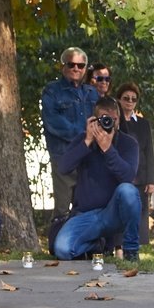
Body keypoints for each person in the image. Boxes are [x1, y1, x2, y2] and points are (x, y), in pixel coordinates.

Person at [52, 97, 142, 262]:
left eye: (113, 119)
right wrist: (87, 142)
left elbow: (128, 177)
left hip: (114, 214)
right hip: (86, 215)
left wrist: (108, 149)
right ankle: (96, 244)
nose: (108, 123)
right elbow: (63, 167)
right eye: (103, 119)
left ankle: (131, 251)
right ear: (94, 120)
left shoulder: (128, 143)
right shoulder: (83, 140)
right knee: (62, 250)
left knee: (128, 191)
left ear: (119, 120)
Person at [41, 47, 99, 217]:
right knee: (62, 208)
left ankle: (84, 243)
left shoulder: (92, 93)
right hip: (63, 155)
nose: (76, 69)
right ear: (63, 66)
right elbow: (53, 122)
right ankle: (57, 242)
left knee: (87, 205)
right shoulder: (52, 91)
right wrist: (85, 135)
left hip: (88, 156)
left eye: (81, 66)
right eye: (71, 64)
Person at [116, 82, 154, 246]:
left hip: (141, 176)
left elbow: (150, 153)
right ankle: (118, 246)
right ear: (119, 99)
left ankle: (136, 247)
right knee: (120, 212)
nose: (129, 101)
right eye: (126, 98)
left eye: (133, 99)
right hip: (120, 175)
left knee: (139, 212)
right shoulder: (114, 122)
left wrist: (152, 180)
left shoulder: (143, 124)